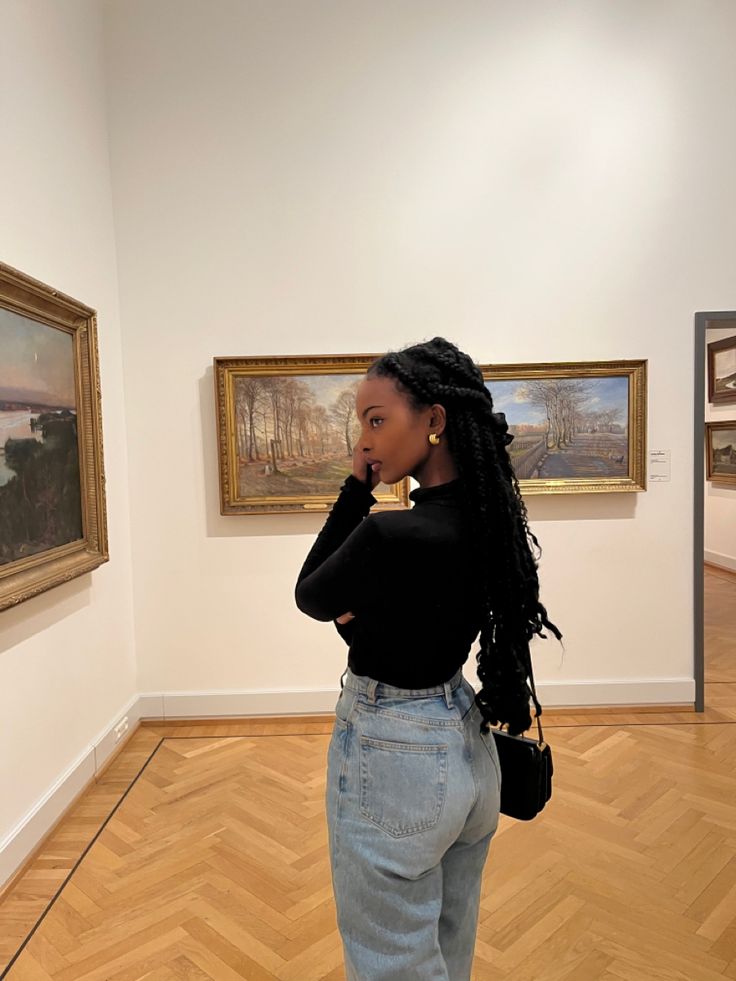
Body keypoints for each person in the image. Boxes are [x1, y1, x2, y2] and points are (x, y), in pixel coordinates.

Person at [295, 337, 561, 980]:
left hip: (396, 755)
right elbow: (396, 622)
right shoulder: (488, 522)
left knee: (393, 959)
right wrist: (360, 619)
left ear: (434, 421)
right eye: (362, 422)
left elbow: (311, 593)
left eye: (377, 420)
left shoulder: (390, 532)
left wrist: (357, 491)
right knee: (446, 946)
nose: (365, 440)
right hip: (465, 745)